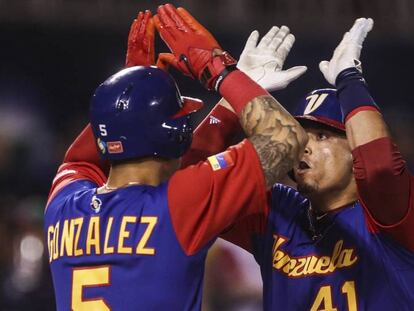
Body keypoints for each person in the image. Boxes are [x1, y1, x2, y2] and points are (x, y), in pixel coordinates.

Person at [44, 6, 308, 310]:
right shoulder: (180, 203)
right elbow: (286, 138)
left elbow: (80, 162)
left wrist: (127, 95)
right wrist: (222, 73)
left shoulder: (62, 206)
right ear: (176, 134)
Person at [186, 18, 414, 310]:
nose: (305, 146)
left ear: (355, 147)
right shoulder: (277, 213)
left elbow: (380, 166)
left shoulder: (391, 216)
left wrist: (350, 79)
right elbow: (191, 189)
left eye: (322, 136)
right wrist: (233, 99)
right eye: (301, 136)